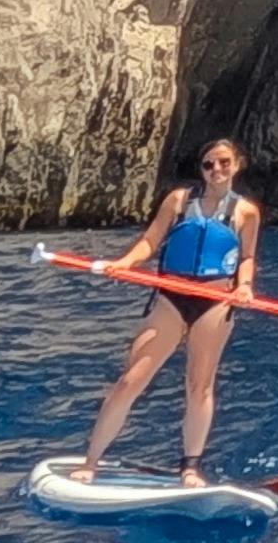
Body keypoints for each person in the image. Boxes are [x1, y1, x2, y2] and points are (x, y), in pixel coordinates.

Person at [74, 138, 259, 484]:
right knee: (131, 379)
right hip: (171, 298)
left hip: (216, 302)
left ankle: (190, 466)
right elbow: (150, 241)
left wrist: (244, 287)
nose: (215, 170)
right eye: (208, 164)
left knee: (199, 386)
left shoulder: (246, 212)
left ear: (237, 165)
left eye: (223, 162)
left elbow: (246, 257)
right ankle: (91, 461)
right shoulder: (178, 201)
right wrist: (124, 262)